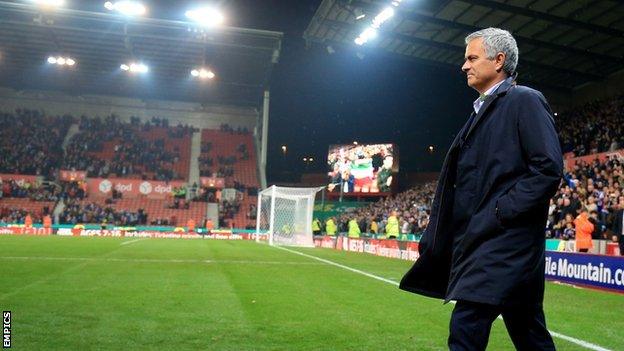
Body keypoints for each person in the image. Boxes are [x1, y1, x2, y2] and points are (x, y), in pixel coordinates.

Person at [399, 28, 562, 351]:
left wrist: (501, 211)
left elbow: (548, 169)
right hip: (489, 240)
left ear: (499, 60)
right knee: (528, 331)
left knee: (467, 324)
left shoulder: (523, 100)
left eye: (472, 58)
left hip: (502, 241)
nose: (464, 66)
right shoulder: (482, 111)